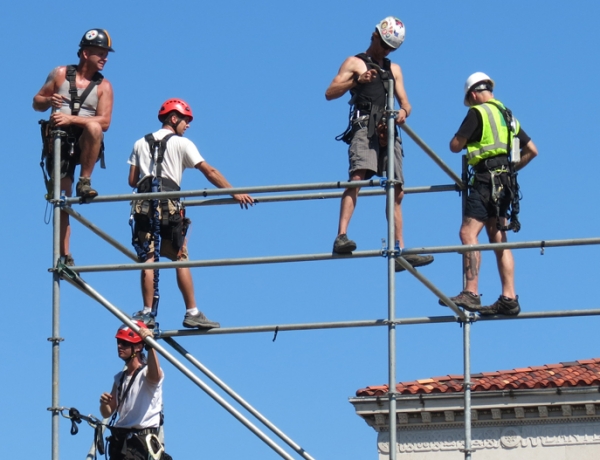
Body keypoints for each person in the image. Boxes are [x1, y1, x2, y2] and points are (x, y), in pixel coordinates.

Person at [128, 99, 254, 329]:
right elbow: (209, 171)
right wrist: (235, 193)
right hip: (169, 204)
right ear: (174, 118)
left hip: (144, 206)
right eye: (186, 120)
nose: (188, 125)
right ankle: (192, 312)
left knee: (149, 258)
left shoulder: (139, 143)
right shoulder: (182, 144)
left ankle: (147, 312)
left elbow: (131, 181)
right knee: (180, 258)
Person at [325, 16, 433, 272]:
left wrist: (404, 112)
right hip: (364, 126)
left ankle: (399, 250)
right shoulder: (354, 62)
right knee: (358, 177)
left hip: (389, 128)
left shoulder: (394, 69)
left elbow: (406, 102)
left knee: (397, 189)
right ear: (375, 36)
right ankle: (341, 236)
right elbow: (330, 93)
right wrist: (357, 81)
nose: (386, 50)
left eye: (390, 48)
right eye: (384, 45)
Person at [443, 72, 538, 315]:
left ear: (473, 94)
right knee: (498, 238)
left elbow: (455, 146)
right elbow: (532, 150)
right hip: (506, 183)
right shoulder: (508, 115)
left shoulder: (478, 112)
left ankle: (471, 291)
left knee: (467, 233)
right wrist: (510, 169)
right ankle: (509, 297)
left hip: (486, 180)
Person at [33, 28, 115, 266]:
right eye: (100, 53)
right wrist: (49, 100)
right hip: (59, 141)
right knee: (62, 196)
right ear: (85, 53)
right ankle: (65, 254)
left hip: (85, 141)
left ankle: (85, 181)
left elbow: (105, 122)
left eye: (106, 53)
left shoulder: (104, 86)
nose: (105, 58)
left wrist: (72, 119)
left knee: (94, 128)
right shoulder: (60, 74)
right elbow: (36, 102)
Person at [100, 321, 168, 460]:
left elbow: (155, 375)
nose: (119, 346)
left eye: (125, 343)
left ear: (138, 346)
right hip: (122, 443)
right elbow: (107, 412)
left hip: (140, 443)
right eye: (119, 342)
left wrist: (151, 346)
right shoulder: (120, 378)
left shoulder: (147, 373)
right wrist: (104, 403)